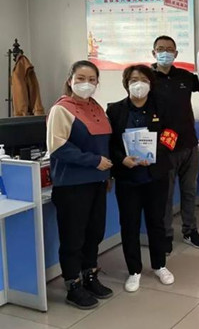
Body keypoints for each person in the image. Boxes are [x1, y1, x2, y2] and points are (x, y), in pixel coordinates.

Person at [46, 60, 114, 309]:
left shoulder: (96, 107)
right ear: (70, 80)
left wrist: (107, 175)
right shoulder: (61, 109)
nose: (87, 83)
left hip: (97, 182)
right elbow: (58, 147)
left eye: (92, 79)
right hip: (72, 185)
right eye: (81, 78)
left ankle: (90, 275)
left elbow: (104, 145)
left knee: (94, 233)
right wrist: (94, 161)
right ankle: (73, 285)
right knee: (73, 237)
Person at [106, 64, 175, 292]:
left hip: (155, 176)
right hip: (128, 178)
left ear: (151, 84)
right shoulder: (115, 110)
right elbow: (110, 143)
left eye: (144, 80)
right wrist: (121, 159)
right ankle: (134, 270)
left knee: (156, 222)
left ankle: (159, 265)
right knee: (130, 224)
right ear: (126, 83)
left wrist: (154, 154)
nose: (139, 84)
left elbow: (171, 135)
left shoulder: (162, 107)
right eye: (134, 79)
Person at [151, 36, 199, 251]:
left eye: (169, 49)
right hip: (163, 147)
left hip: (189, 143)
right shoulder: (146, 78)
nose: (165, 53)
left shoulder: (185, 77)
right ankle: (165, 234)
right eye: (160, 49)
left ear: (175, 53)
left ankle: (190, 230)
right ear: (154, 53)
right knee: (165, 194)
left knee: (189, 191)